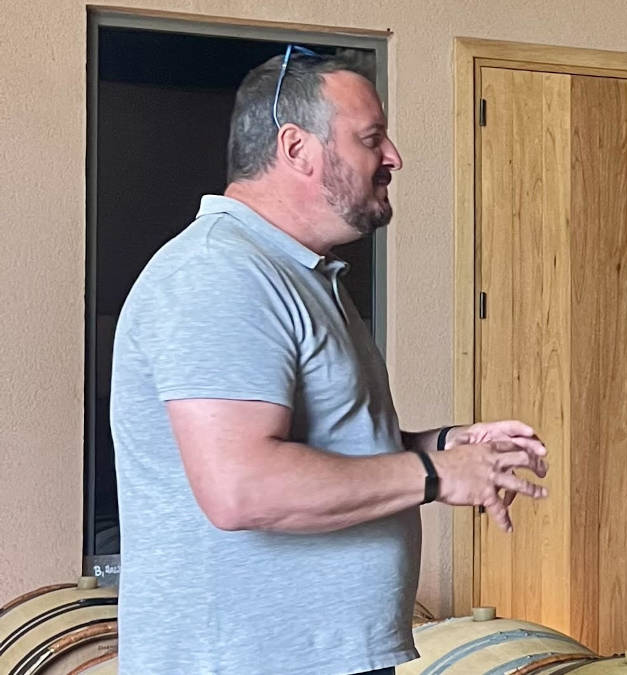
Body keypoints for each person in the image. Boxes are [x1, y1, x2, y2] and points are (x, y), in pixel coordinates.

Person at [109, 48, 548, 674]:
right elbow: (242, 487)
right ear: (297, 148)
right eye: (371, 138)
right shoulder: (220, 273)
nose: (393, 156)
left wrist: (445, 444)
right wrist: (433, 474)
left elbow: (320, 444)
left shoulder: (300, 274)